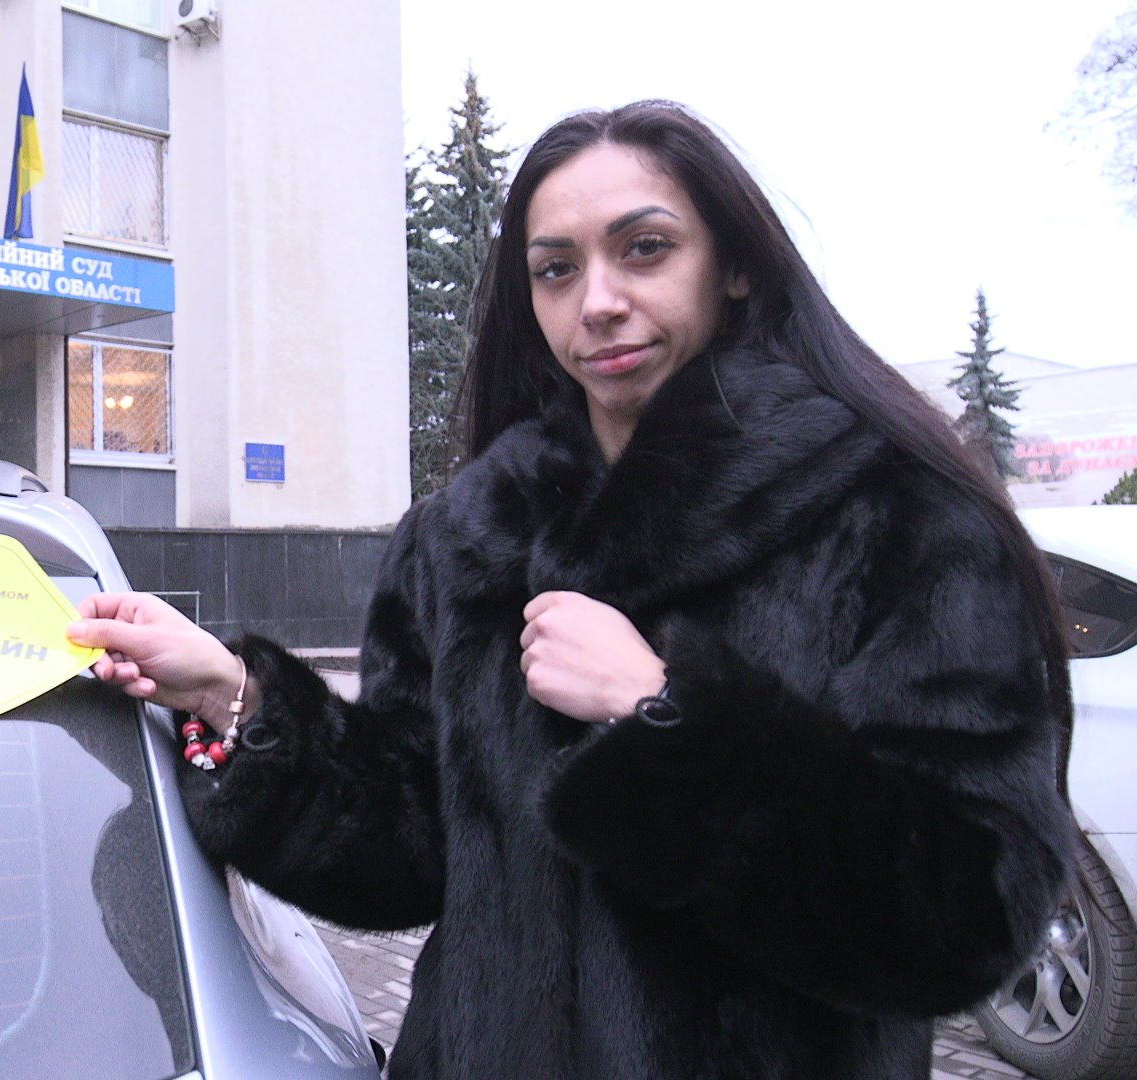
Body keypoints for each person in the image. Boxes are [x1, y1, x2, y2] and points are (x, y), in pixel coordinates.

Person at [66, 100, 1074, 1079]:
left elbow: (968, 916)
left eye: (645, 249)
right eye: (556, 269)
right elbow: (408, 852)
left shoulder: (898, 519)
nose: (597, 301)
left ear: (733, 267)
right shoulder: (466, 538)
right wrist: (234, 697)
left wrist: (666, 717)